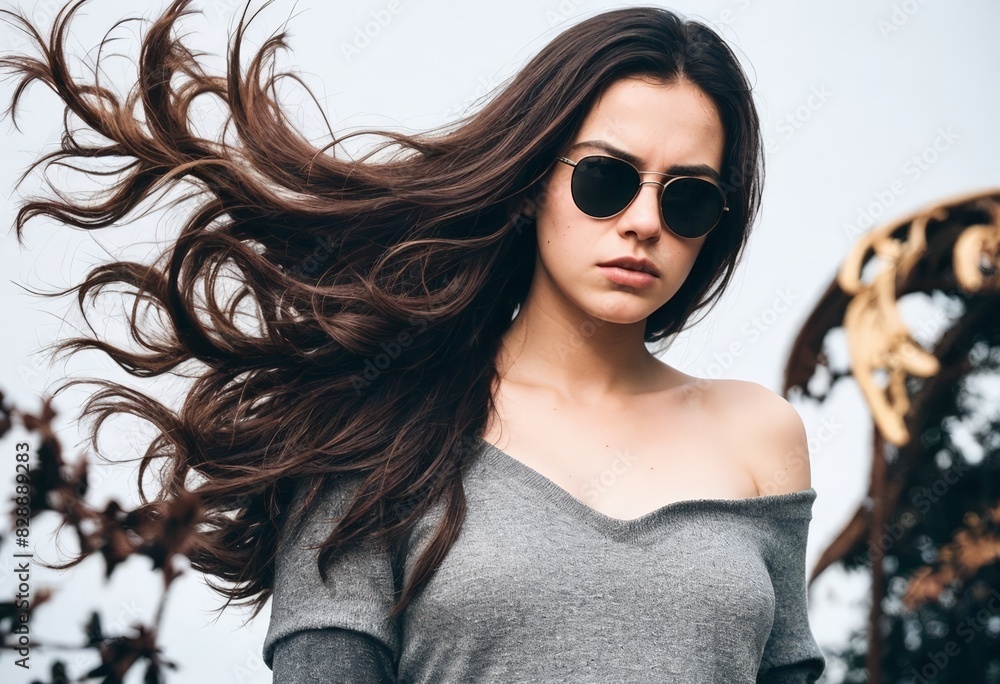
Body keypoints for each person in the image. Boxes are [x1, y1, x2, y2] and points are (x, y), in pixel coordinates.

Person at [2, 1, 826, 681]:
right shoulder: (380, 426)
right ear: (537, 177)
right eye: (606, 180)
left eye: (686, 199)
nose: (643, 222)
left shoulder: (758, 437)